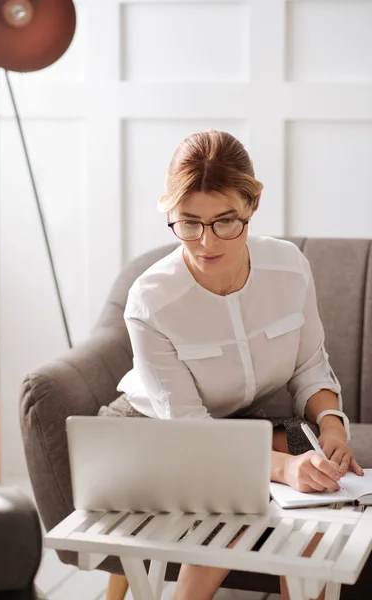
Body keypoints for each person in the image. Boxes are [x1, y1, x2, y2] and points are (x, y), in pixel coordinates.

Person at [99, 130, 363, 600]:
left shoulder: (289, 267)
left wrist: (332, 427)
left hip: (236, 426)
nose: (205, 242)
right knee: (237, 503)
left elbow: (310, 367)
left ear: (252, 206)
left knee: (321, 474)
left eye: (225, 221)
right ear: (171, 216)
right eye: (188, 222)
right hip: (157, 433)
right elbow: (192, 432)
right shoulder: (151, 301)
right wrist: (281, 468)